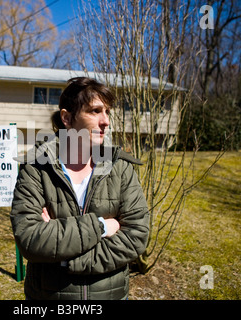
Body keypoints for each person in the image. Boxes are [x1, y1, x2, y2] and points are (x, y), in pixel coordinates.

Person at [10, 77, 150, 300]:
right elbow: (29, 238)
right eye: (95, 111)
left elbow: (137, 235)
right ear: (67, 118)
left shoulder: (120, 167)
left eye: (107, 111)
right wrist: (102, 226)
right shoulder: (36, 168)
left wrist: (67, 258)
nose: (106, 121)